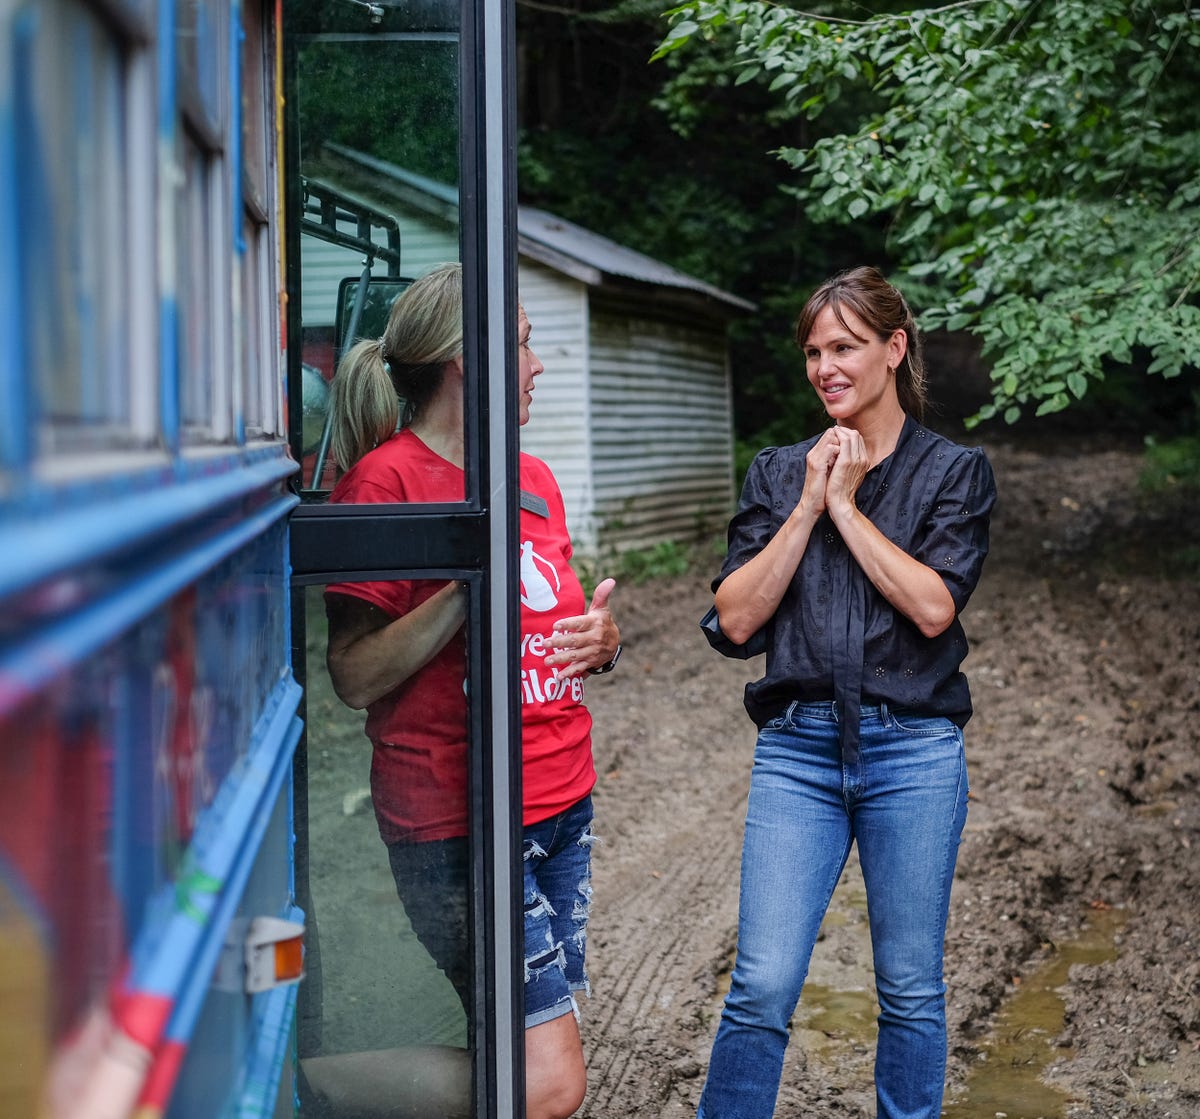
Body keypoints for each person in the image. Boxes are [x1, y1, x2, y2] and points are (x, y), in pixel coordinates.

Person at [320, 262, 620, 1119]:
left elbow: (549, 624)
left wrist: (602, 642)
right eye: (522, 343)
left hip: (561, 801)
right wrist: (461, 586)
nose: (535, 363)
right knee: (548, 1079)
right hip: (460, 821)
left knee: (522, 1045)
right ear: (467, 359)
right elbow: (351, 673)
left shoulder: (533, 477)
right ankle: (307, 1089)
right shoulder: (385, 481)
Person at [696, 266, 997, 1119]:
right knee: (761, 982)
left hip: (914, 752)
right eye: (814, 351)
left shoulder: (953, 473)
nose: (825, 366)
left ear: (894, 349)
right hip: (797, 751)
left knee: (909, 987)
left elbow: (935, 605)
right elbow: (737, 617)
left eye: (845, 347)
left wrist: (849, 505)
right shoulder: (774, 471)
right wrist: (805, 505)